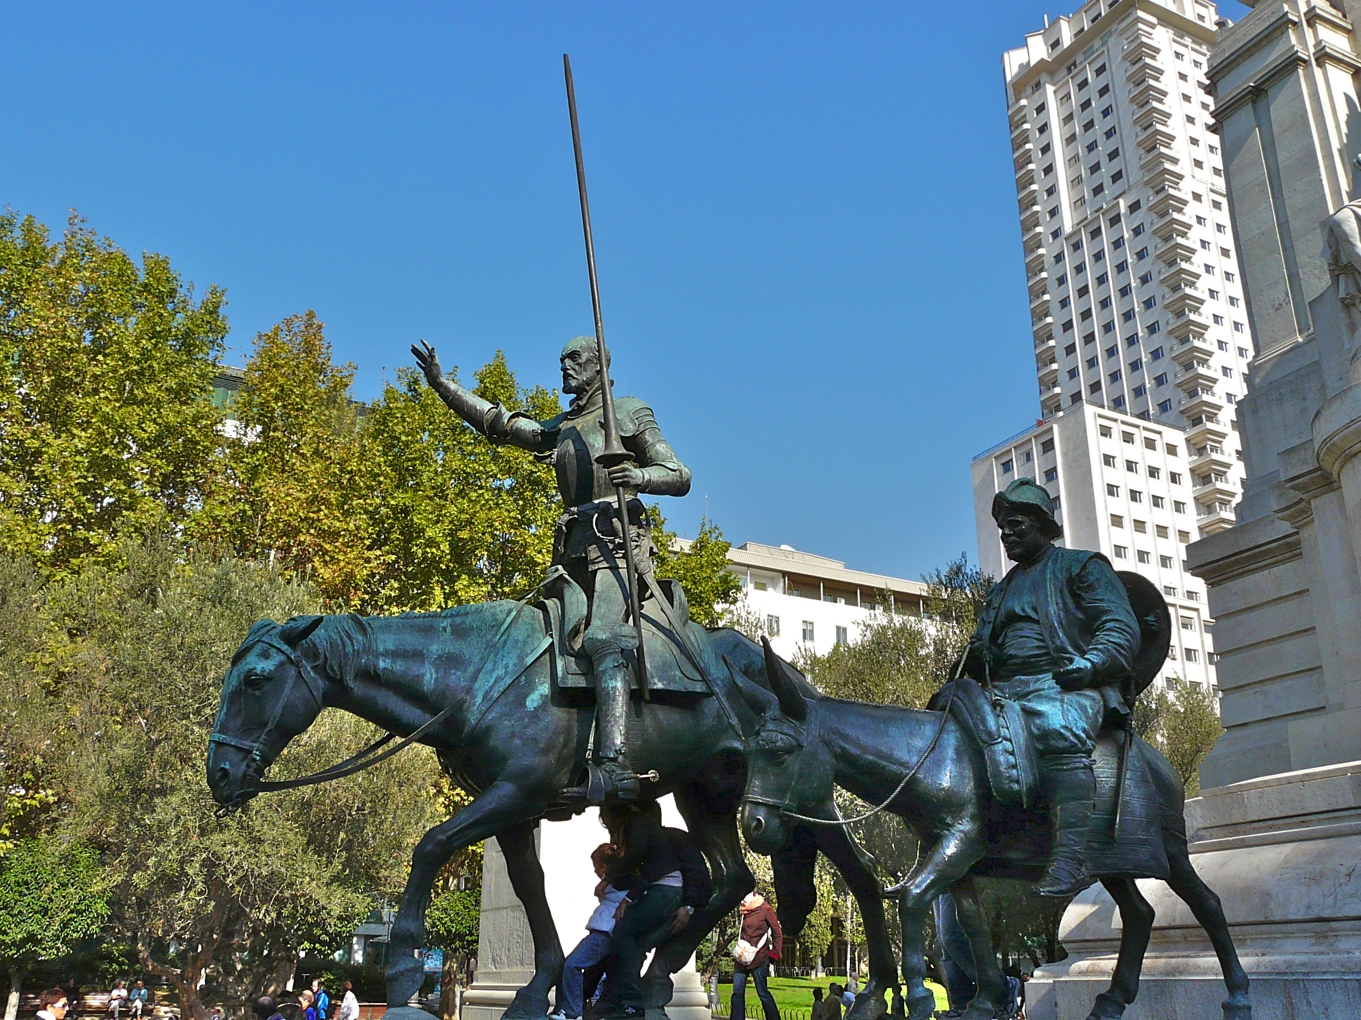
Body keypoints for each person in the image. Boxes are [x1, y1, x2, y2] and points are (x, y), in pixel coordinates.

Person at [413, 336, 691, 802]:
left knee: (604, 637)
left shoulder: (628, 412)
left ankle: (615, 764)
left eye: (575, 360)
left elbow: (679, 474)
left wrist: (639, 476)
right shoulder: (563, 426)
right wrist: (443, 386)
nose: (564, 367)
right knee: (529, 643)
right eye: (561, 360)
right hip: (570, 552)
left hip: (616, 549)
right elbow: (500, 424)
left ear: (599, 364)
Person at [962, 477, 1141, 897]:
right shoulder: (1000, 590)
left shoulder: (1081, 566)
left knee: (1057, 727)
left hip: (1064, 683)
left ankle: (1070, 858)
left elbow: (1119, 625)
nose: (1007, 535)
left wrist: (1089, 665)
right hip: (1002, 690)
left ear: (1043, 524)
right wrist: (977, 655)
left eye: (1016, 525)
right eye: (1003, 527)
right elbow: (983, 647)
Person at [600, 802, 685, 1017]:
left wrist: (607, 879)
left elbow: (635, 854)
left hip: (666, 889)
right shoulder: (637, 825)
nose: (607, 826)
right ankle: (620, 997)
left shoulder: (636, 824)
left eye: (606, 819)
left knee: (623, 932)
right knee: (629, 938)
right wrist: (628, 899)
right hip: (662, 889)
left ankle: (630, 1000)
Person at [549, 843, 628, 1020]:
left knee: (572, 964)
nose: (595, 871)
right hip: (603, 931)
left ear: (604, 866)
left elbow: (637, 886)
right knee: (582, 969)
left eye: (596, 866)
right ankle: (573, 1009)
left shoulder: (618, 879)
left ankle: (571, 1012)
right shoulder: (615, 880)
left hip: (603, 932)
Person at [730, 891, 782, 1020]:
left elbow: (777, 932)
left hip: (759, 958)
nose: (742, 900)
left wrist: (775, 953)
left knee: (762, 993)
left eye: (745, 896)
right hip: (742, 959)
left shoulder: (765, 909)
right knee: (737, 993)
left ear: (753, 894)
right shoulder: (744, 911)